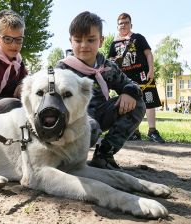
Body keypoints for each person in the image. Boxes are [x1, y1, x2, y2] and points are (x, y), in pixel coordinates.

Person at [56, 11, 145, 170]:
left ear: (101, 41)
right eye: (78, 40)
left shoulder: (107, 67)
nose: (84, 45)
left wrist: (128, 92)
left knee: (137, 103)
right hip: (74, 119)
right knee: (90, 126)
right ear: (71, 41)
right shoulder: (63, 69)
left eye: (91, 40)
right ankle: (64, 160)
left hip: (101, 113)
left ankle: (104, 154)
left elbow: (131, 83)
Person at [108, 13, 165, 143]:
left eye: (126, 22)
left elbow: (148, 54)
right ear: (117, 27)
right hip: (126, 79)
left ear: (131, 24)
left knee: (149, 102)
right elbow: (110, 60)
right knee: (131, 104)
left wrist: (151, 69)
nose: (123, 25)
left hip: (143, 75)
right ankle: (135, 132)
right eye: (121, 23)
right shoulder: (114, 44)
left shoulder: (138, 38)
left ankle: (152, 131)